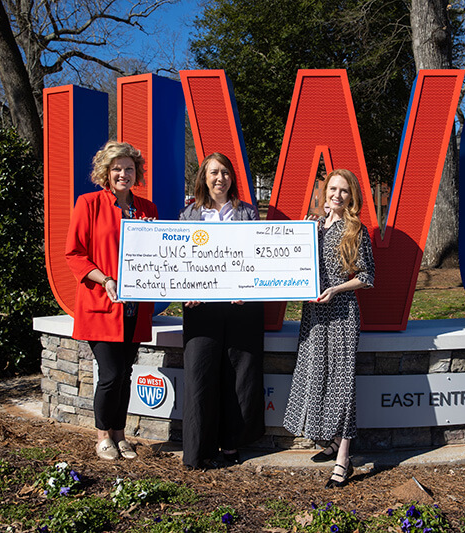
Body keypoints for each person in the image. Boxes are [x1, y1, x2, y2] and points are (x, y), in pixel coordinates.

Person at [65, 140, 158, 461]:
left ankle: (120, 435)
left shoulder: (147, 209)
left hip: (134, 308)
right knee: (111, 374)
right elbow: (74, 254)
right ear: (106, 172)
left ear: (137, 173)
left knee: (126, 373)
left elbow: (157, 253)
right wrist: (104, 279)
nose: (123, 174)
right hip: (101, 305)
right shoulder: (88, 203)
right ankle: (103, 436)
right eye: (117, 168)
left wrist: (153, 237)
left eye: (129, 169)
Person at [283, 168, 375, 489]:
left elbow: (366, 277)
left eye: (344, 190)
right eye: (332, 189)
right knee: (318, 374)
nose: (337, 195)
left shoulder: (356, 229)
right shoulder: (314, 226)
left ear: (352, 197)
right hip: (313, 314)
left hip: (341, 314)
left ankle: (344, 458)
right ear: (324, 192)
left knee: (342, 383)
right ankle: (333, 440)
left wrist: (336, 289)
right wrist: (301, 234)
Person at [179, 152, 265, 469]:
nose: (220, 178)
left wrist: (249, 287)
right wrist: (184, 291)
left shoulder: (247, 214)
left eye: (225, 173)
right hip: (200, 310)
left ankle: (231, 444)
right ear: (203, 177)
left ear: (232, 178)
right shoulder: (188, 215)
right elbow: (178, 261)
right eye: (214, 172)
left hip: (241, 310)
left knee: (239, 378)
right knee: (200, 377)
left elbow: (258, 257)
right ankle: (199, 451)